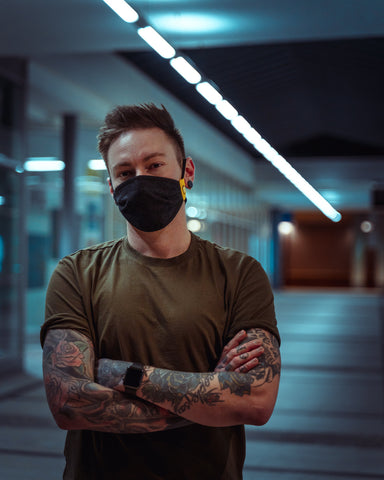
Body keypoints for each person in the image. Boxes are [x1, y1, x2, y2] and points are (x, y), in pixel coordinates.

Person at [41, 103, 281, 480]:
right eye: (125, 172)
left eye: (154, 166)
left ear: (186, 172)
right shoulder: (77, 273)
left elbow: (255, 400)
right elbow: (68, 402)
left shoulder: (239, 273)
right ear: (111, 187)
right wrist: (206, 402)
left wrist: (124, 375)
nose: (140, 179)